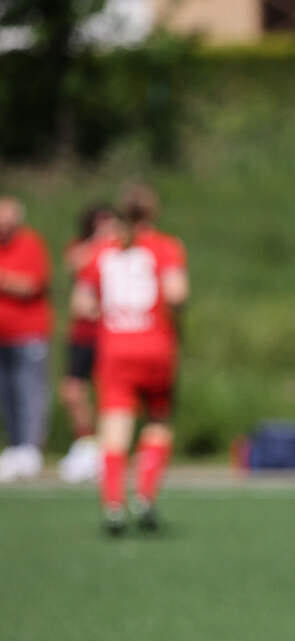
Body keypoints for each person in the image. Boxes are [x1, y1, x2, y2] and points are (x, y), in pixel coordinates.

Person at [71, 184, 188, 533]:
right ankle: (145, 494)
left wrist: (106, 309)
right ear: (153, 211)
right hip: (154, 347)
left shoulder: (102, 251)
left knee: (114, 428)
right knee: (158, 420)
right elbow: (176, 293)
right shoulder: (164, 247)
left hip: (115, 349)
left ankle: (112, 504)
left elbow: (81, 303)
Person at [58, 203, 121, 483]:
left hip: (111, 334)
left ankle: (109, 451)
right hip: (83, 334)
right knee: (72, 390)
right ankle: (86, 444)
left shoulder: (123, 251)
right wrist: (100, 242)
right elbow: (74, 263)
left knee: (109, 394)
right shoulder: (85, 249)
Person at [0, 196, 52, 482]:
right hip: (2, 336)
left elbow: (32, 284)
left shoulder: (31, 243)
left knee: (29, 392)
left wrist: (5, 279)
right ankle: (15, 446)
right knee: (6, 394)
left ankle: (31, 448)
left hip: (28, 334)